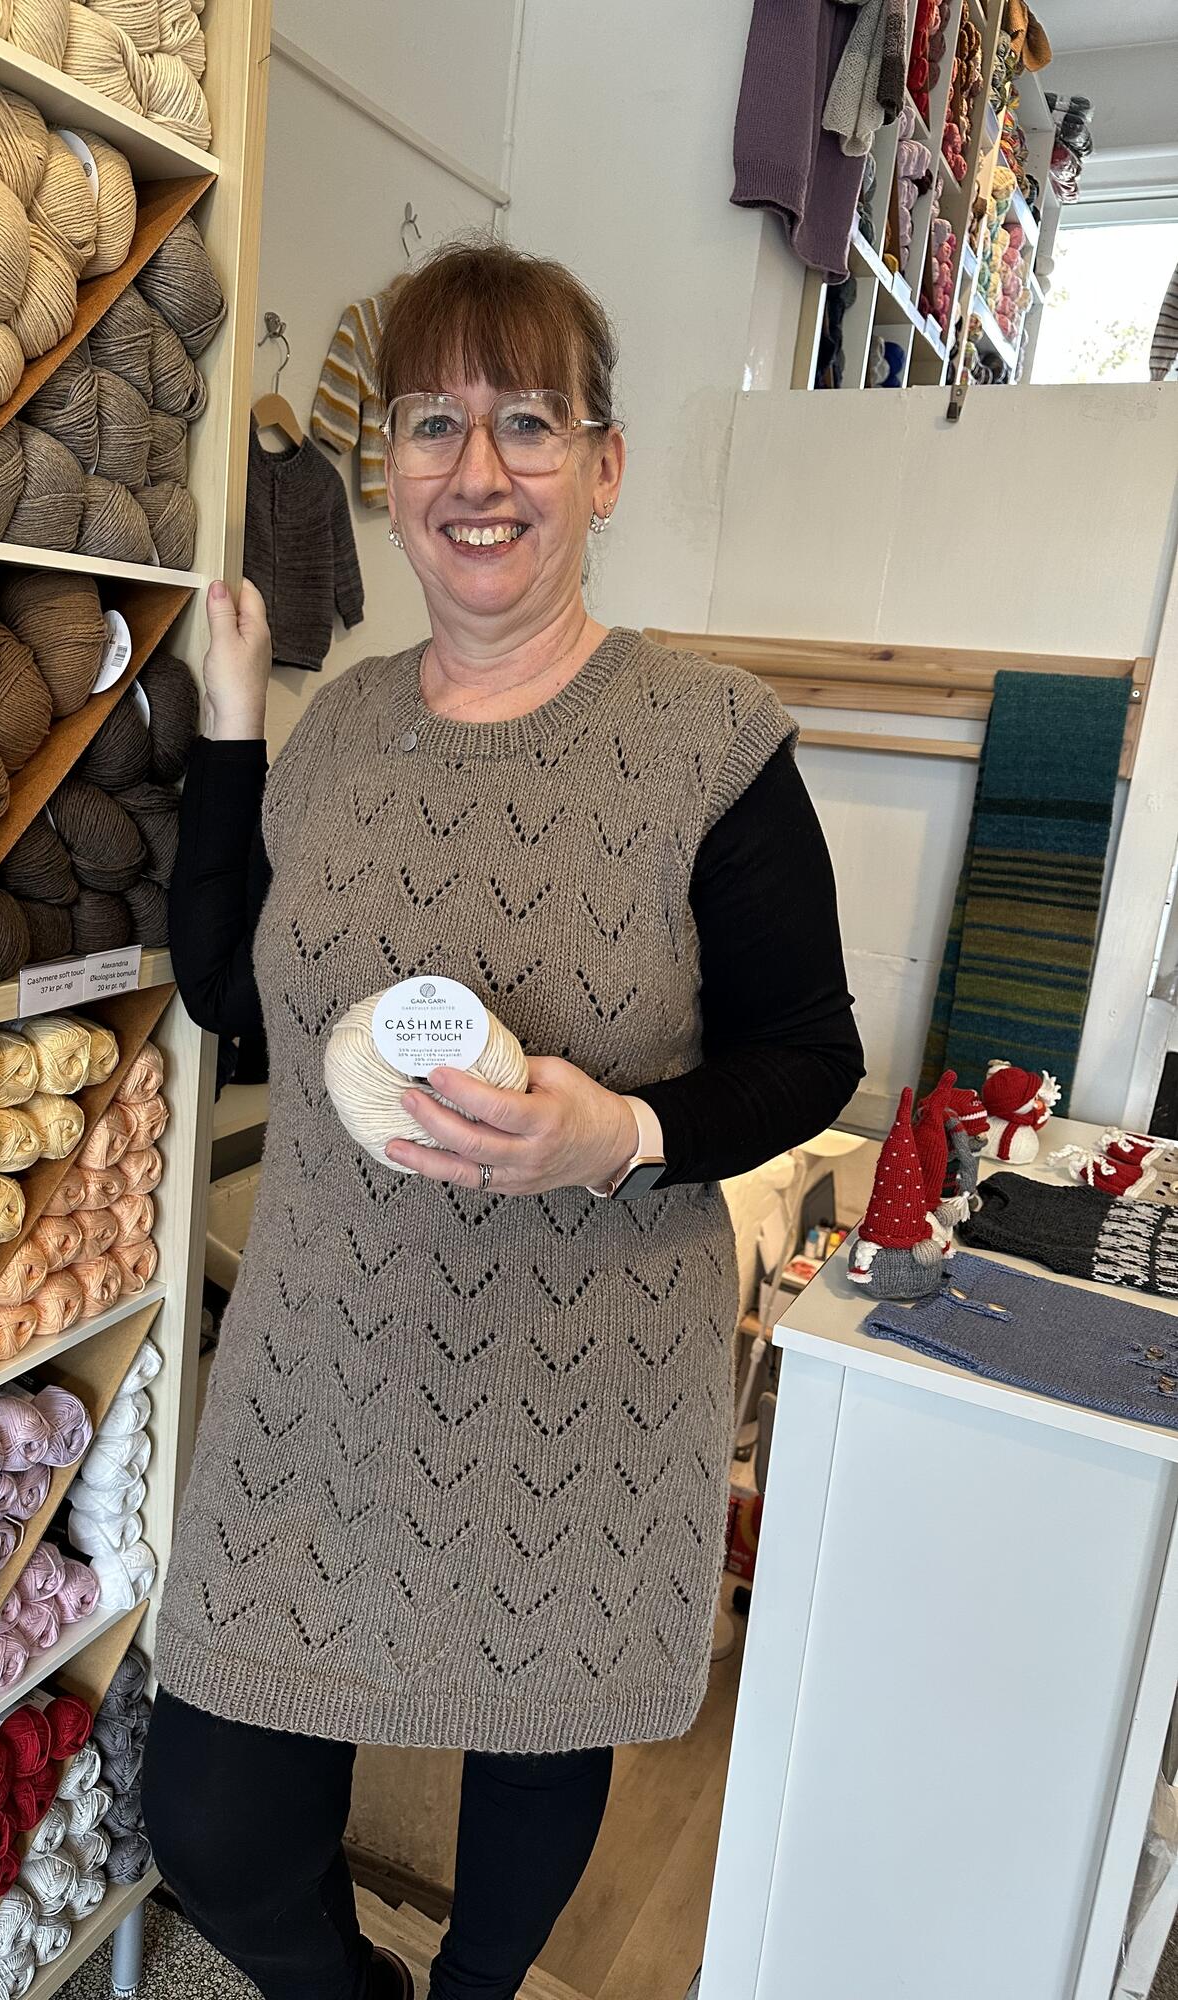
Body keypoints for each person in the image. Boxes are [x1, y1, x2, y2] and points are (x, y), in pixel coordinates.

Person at [143, 239, 865, 2000]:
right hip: (323, 1366)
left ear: (603, 468)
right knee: (215, 1822)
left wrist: (620, 1135)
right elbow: (235, 996)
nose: (478, 470)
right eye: (432, 424)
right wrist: (235, 724)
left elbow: (810, 1053)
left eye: (528, 422)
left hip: (577, 1371)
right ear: (387, 472)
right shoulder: (340, 735)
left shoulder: (707, 740)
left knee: (530, 1756)